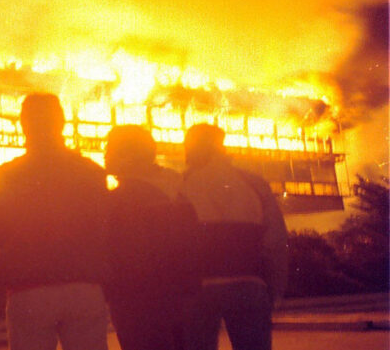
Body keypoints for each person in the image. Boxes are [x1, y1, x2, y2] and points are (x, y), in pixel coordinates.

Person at [0, 93, 110, 350]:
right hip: (83, 284)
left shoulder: (6, 175)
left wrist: (18, 244)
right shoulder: (90, 171)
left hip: (29, 286)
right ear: (61, 122)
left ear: (23, 124)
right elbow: (103, 222)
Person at [180, 124, 288, 350]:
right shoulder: (254, 184)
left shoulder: (182, 185)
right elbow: (275, 240)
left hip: (198, 291)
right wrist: (275, 289)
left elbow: (172, 243)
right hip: (249, 287)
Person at [103, 125, 199, 350]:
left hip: (137, 303)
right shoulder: (179, 190)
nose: (105, 155)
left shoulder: (124, 200)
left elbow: (126, 256)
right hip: (180, 300)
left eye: (109, 149)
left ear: (127, 156)